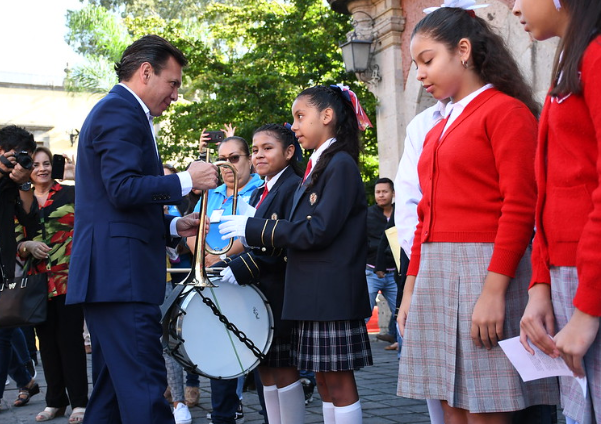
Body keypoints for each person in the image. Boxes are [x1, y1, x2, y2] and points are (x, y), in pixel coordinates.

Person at [396, 4, 559, 423]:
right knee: (450, 405)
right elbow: (426, 213)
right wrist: (412, 284)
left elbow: (521, 207)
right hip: (435, 269)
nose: (420, 74)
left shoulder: (506, 111)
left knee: (487, 406)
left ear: (463, 50)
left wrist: (494, 290)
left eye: (427, 60)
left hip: (486, 268)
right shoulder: (435, 129)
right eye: (416, 64)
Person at [66, 35, 219, 424]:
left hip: (113, 275)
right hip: (122, 276)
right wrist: (187, 179)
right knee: (146, 389)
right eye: (173, 83)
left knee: (112, 393)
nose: (176, 95)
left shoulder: (119, 111)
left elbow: (114, 200)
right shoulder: (119, 111)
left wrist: (171, 224)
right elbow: (121, 188)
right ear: (146, 72)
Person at [219, 84, 374, 424]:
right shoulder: (321, 165)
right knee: (323, 380)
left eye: (300, 117)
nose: (294, 126)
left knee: (338, 382)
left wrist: (254, 228)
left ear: (327, 116)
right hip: (312, 292)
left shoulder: (340, 164)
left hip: (330, 292)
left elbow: (318, 230)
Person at [511, 0, 601, 422]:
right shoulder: (576, 57)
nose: (513, 8)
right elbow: (550, 192)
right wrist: (540, 284)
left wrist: (587, 310)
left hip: (590, 280)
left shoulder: (596, 55)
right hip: (571, 276)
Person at [218, 123, 305, 424]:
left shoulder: (293, 186)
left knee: (283, 371)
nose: (259, 155)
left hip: (280, 293)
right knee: (266, 371)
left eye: (268, 148)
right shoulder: (261, 191)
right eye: (255, 150)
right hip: (261, 294)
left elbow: (283, 243)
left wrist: (243, 266)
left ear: (289, 151)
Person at [186, 135, 263, 424]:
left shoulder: (259, 190)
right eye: (223, 159)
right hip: (215, 280)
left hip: (249, 280)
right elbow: (192, 229)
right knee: (221, 350)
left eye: (235, 158)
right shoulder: (212, 192)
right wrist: (204, 257)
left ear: (248, 161)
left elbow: (255, 231)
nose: (227, 165)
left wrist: (223, 257)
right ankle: (224, 414)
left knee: (258, 353)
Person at [16, 147, 88, 423]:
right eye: (36, 164)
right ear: (28, 169)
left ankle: (79, 402)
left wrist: (72, 172)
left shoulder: (70, 194)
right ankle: (55, 402)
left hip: (69, 278)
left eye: (47, 163)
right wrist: (27, 245)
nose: (43, 168)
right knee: (46, 343)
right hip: (36, 283)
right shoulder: (19, 200)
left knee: (70, 341)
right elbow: (13, 239)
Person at [0, 125, 39, 411]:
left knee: (3, 330)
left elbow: (29, 219)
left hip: (2, 264)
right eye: (12, 156)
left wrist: (25, 183)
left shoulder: (14, 182)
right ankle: (25, 378)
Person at [365, 177, 398, 345]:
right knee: (364, 312)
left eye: (385, 192)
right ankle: (358, 346)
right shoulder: (368, 214)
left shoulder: (400, 213)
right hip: (371, 271)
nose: (381, 195)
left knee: (401, 313)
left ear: (393, 193)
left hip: (395, 273)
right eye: (378, 192)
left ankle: (402, 350)